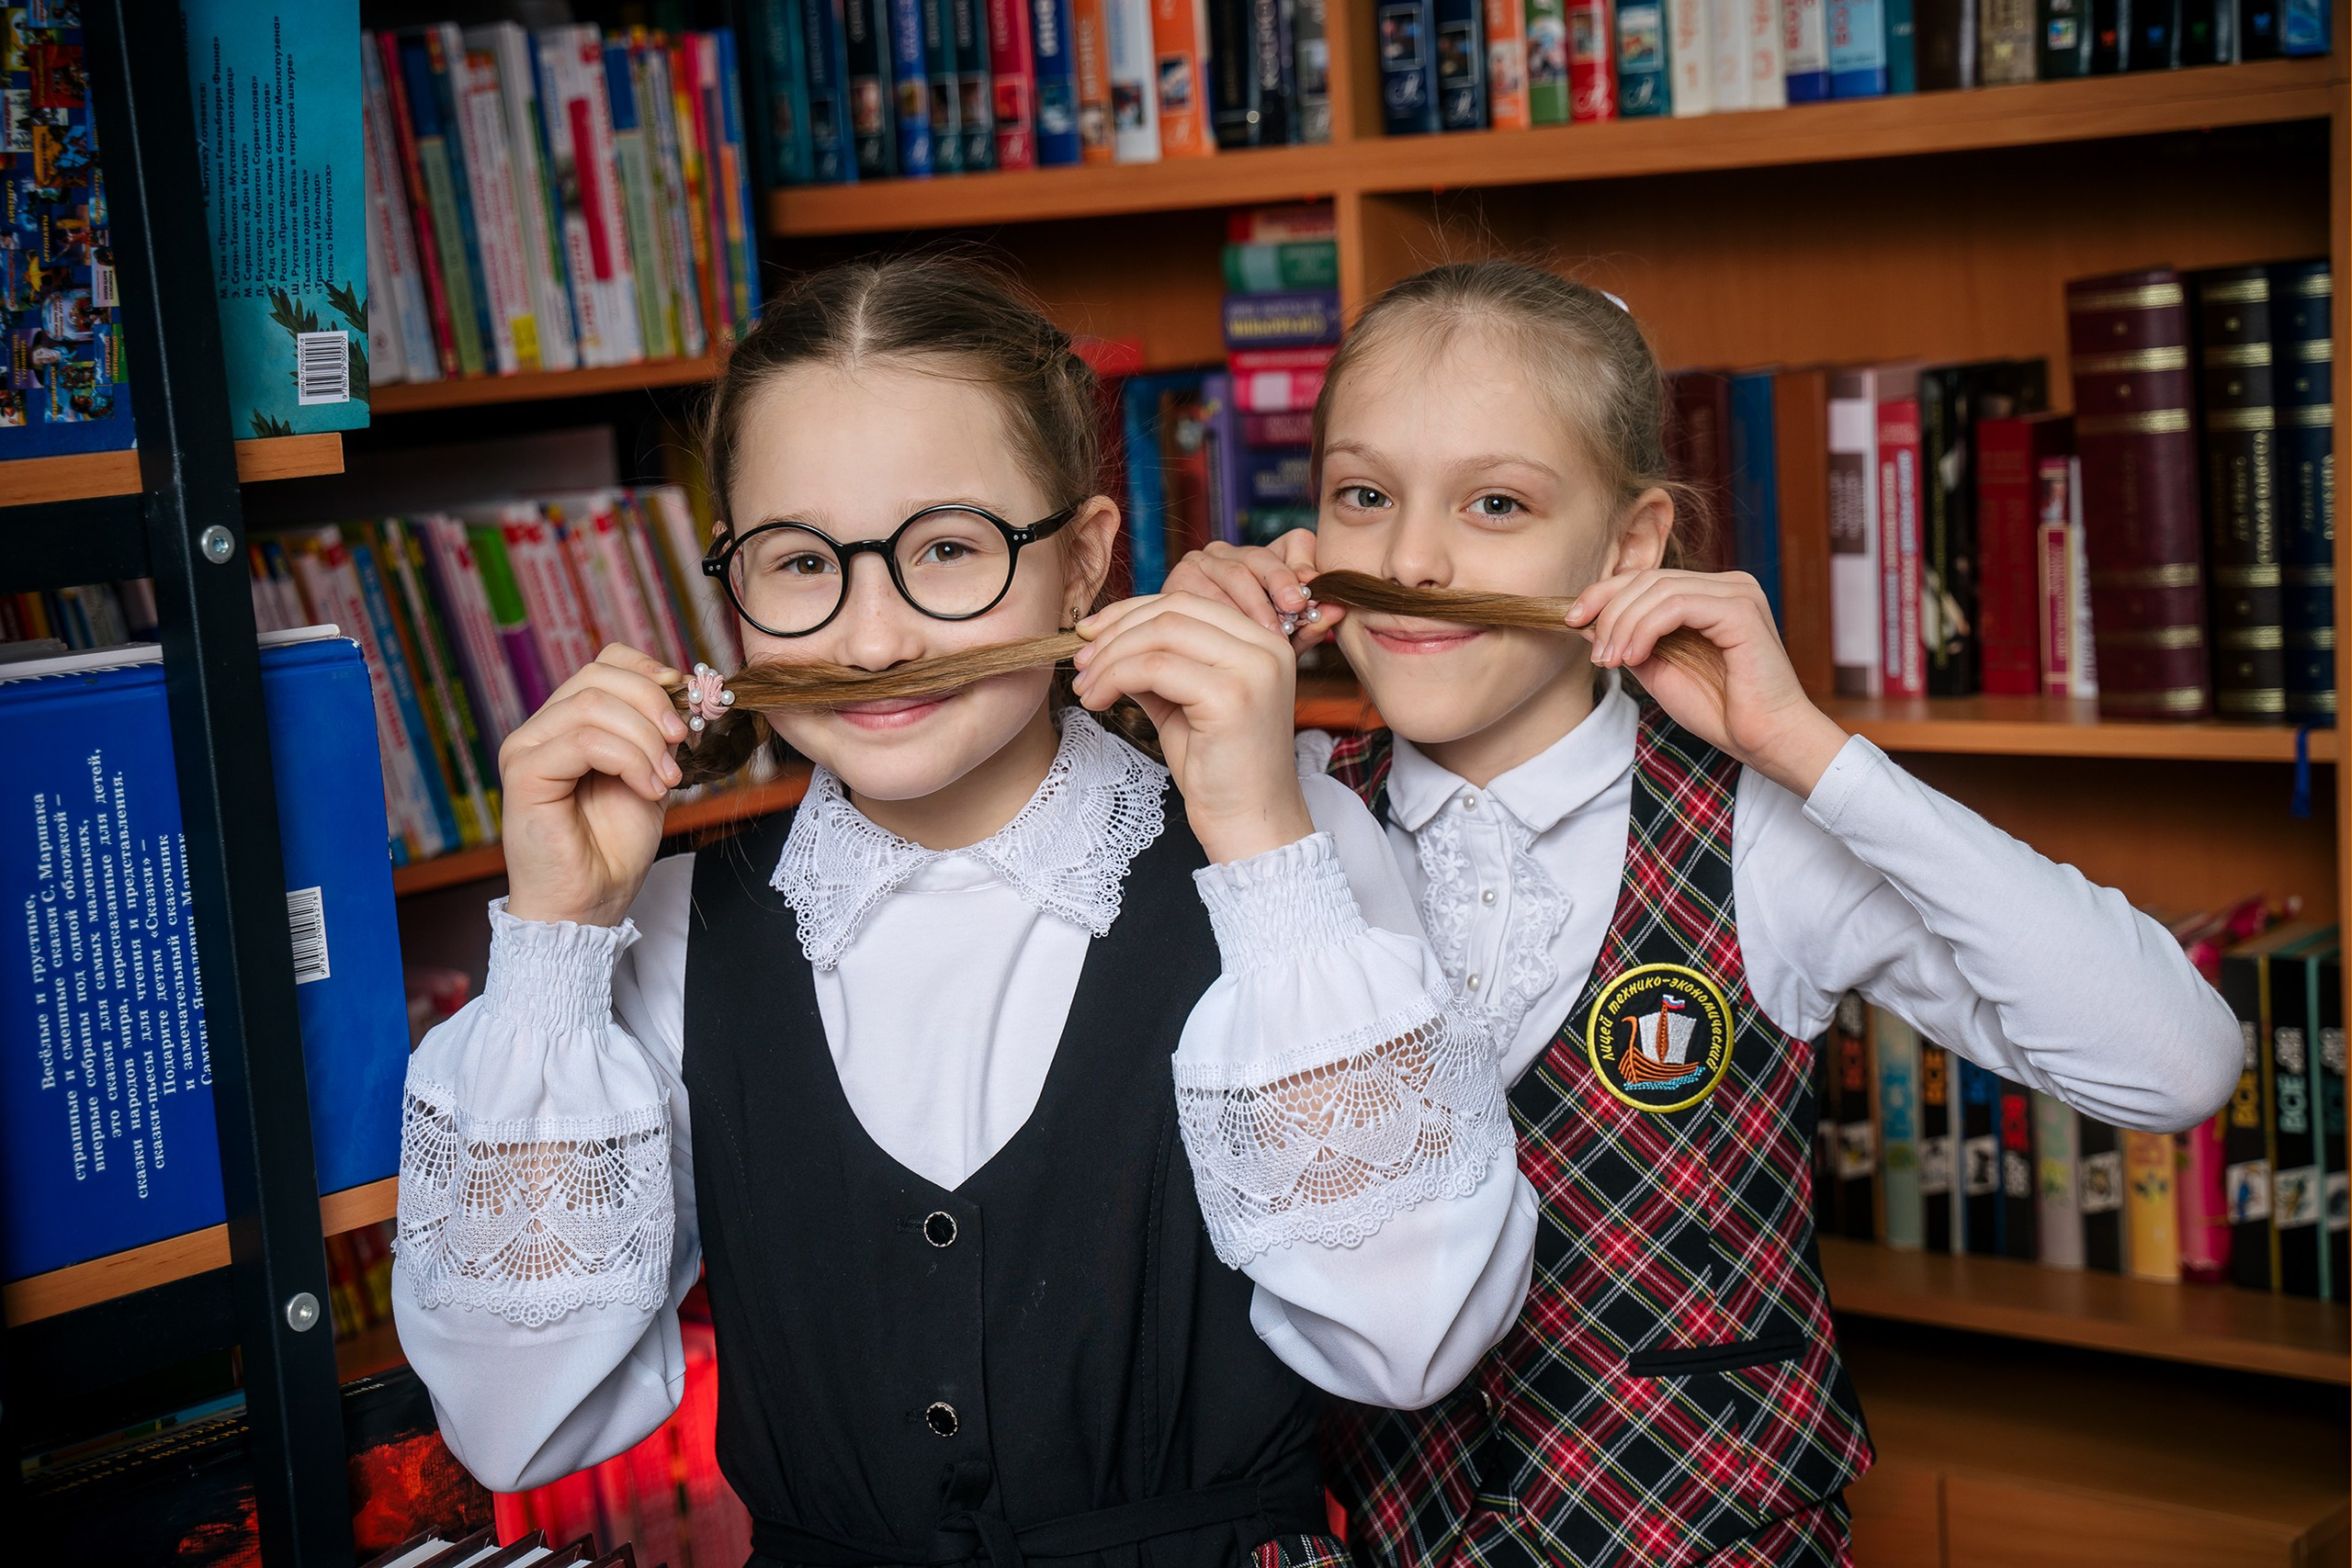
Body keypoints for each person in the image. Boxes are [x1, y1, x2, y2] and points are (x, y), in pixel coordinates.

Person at [390, 259, 1542, 1568]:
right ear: (734, 596)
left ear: (1084, 565)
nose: (874, 641)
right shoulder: (659, 929)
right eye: (801, 562)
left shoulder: (1287, 851)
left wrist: (1263, 853)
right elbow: (512, 1425)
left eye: (947, 548)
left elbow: (1416, 1341)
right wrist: (551, 943)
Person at [1164, 260, 2244, 1567]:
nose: (1411, 561)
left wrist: (1810, 754)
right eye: (1364, 496)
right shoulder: (1289, 834)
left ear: (1628, 548)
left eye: (1495, 503)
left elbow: (2178, 1067)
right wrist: (1223, 744)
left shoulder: (1759, 833)